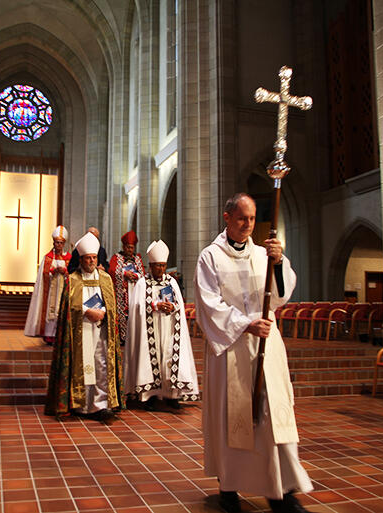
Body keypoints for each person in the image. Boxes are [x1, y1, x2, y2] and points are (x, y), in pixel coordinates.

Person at [194, 193, 312, 513]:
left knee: (273, 417)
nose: (248, 225)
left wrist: (278, 263)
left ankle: (282, 493)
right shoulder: (210, 257)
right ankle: (229, 487)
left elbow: (279, 296)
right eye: (242, 218)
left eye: (252, 218)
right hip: (231, 350)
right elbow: (209, 304)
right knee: (233, 421)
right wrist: (245, 325)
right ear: (227, 218)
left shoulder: (263, 254)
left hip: (267, 346)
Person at [44, 231, 123, 422]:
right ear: (81, 259)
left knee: (102, 366)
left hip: (101, 331)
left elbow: (111, 306)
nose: (91, 261)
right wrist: (86, 311)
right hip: (80, 333)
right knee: (84, 366)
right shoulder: (72, 280)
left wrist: (104, 312)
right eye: (87, 258)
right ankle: (83, 405)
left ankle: (102, 404)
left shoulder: (106, 279)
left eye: (94, 258)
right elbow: (67, 310)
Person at [125, 239, 199, 411]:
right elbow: (136, 308)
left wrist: (172, 307)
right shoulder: (142, 283)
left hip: (168, 328)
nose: (161, 269)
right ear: (150, 265)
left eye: (163, 265)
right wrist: (154, 306)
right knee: (152, 358)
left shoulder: (172, 283)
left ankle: (172, 395)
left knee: (168, 358)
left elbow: (179, 305)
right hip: (149, 330)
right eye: (157, 265)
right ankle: (149, 395)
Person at [24, 225, 72, 344]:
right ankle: (49, 336)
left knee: (61, 311)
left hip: (63, 291)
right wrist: (53, 271)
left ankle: (60, 336)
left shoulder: (69, 258)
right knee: (51, 312)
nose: (59, 245)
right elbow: (43, 275)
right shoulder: (48, 258)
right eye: (56, 242)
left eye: (61, 243)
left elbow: (73, 275)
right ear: (53, 243)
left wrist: (65, 272)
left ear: (64, 243)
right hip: (50, 291)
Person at [108, 230, 145, 345]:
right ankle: (122, 337)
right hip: (122, 294)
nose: (130, 250)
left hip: (134, 291)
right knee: (122, 314)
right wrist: (124, 273)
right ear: (124, 246)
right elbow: (112, 271)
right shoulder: (117, 257)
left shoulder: (137, 259)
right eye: (128, 247)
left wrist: (136, 275)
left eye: (132, 247)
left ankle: (134, 337)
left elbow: (142, 274)